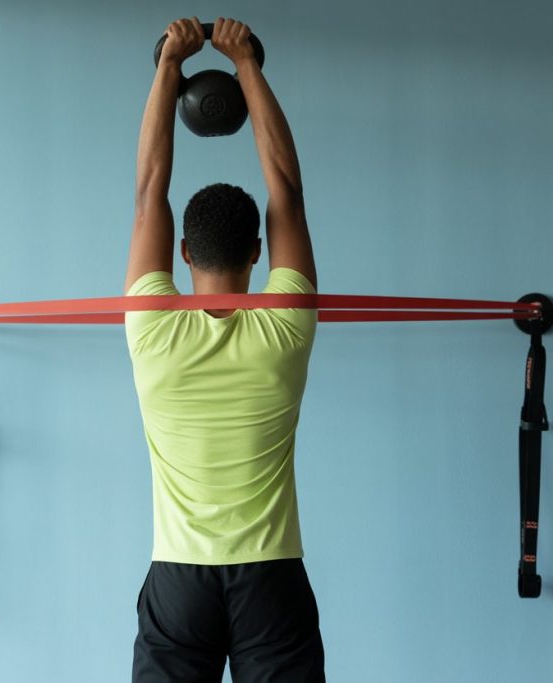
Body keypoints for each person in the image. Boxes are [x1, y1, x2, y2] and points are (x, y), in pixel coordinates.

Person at [125, 17, 325, 683]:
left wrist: (169, 67)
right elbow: (287, 194)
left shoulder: (153, 331)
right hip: (271, 578)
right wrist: (246, 64)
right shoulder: (283, 330)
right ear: (258, 254)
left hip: (179, 580)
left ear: (183, 253)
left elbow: (149, 193)